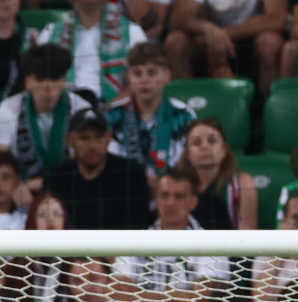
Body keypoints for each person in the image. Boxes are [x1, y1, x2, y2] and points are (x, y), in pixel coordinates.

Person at [114, 165, 231, 302]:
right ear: (156, 200)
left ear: (193, 202)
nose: (170, 203)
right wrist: (175, 298)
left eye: (179, 196)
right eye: (164, 195)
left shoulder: (212, 244)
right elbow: (120, 294)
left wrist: (143, 297)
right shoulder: (132, 243)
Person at [0, 44, 93, 183]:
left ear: (64, 81)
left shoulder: (81, 109)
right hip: (21, 186)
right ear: (27, 82)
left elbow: (89, 162)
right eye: (40, 79)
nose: (47, 88)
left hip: (70, 185)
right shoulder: (8, 109)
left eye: (54, 79)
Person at [42, 111, 154, 229]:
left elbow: (138, 227)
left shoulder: (130, 175)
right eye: (84, 138)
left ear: (108, 138)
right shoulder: (56, 178)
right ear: (69, 140)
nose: (93, 146)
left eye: (99, 137)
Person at [104, 42, 194, 184]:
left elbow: (189, 163)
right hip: (124, 188)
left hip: (171, 189)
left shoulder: (183, 114)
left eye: (152, 73)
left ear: (167, 76)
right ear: (128, 77)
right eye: (137, 73)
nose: (144, 80)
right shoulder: (112, 115)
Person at [37, 0, 147, 103]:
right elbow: (37, 81)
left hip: (114, 109)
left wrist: (111, 108)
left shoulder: (132, 32)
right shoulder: (50, 33)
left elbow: (142, 82)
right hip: (64, 107)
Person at [169, 0, 289, 94]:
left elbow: (276, 19)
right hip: (206, 42)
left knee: (270, 42)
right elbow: (180, 18)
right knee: (176, 41)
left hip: (251, 40)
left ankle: (270, 109)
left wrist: (222, 34)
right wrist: (207, 29)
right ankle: (184, 108)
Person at [183, 117, 257, 231]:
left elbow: (246, 236)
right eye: (196, 142)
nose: (204, 147)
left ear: (224, 149)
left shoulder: (241, 184)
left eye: (212, 141)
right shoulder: (180, 186)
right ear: (188, 153)